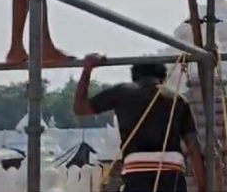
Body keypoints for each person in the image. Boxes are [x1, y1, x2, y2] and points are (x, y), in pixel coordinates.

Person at [73, 54, 207, 192]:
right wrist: (203, 187)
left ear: (135, 76)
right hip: (171, 172)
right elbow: (193, 146)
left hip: (136, 172)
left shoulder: (121, 92)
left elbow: (80, 108)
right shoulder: (178, 100)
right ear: (163, 77)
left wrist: (87, 69)